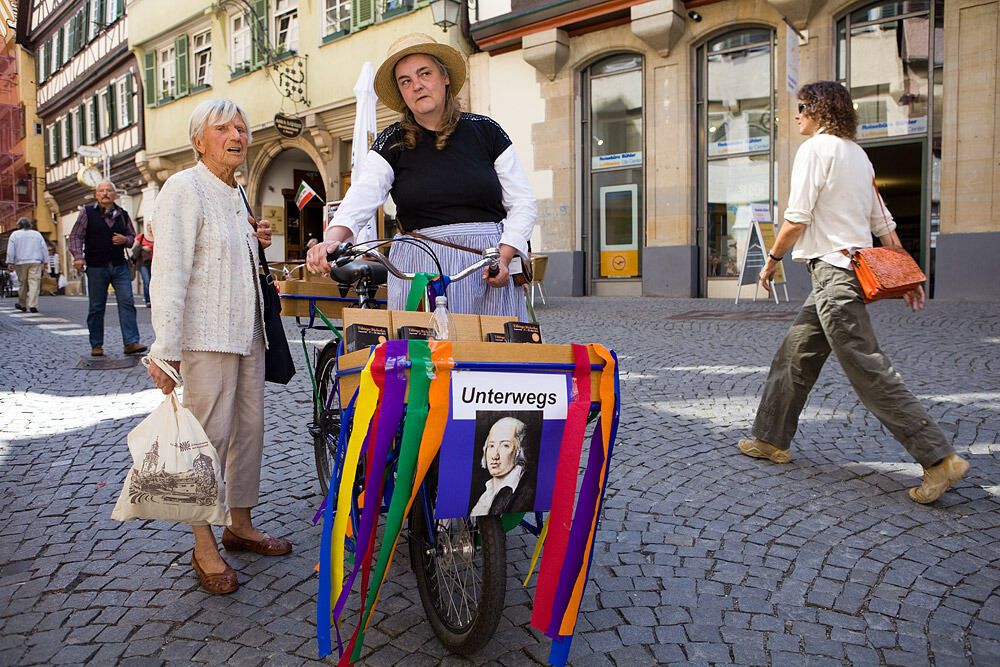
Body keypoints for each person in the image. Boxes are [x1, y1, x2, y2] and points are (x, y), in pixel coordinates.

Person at [739, 81, 968, 504]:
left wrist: (771, 260)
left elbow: (796, 218)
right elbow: (883, 222)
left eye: (802, 106)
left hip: (835, 275)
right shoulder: (858, 155)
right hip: (844, 273)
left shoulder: (816, 150)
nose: (796, 114)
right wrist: (910, 274)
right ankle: (770, 440)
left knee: (867, 369)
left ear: (820, 110)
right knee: (795, 355)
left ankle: (938, 459)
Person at [145, 99, 281, 595]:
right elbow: (171, 271)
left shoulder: (238, 193)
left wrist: (256, 241)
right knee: (205, 443)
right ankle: (203, 544)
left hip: (248, 334)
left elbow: (227, 259)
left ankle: (239, 524)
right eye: (222, 128)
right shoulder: (184, 188)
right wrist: (165, 349)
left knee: (249, 433)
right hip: (205, 338)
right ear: (199, 141)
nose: (236, 135)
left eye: (242, 128)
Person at [306, 33, 536, 317]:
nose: (416, 85)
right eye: (405, 81)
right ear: (402, 93)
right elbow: (360, 199)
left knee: (491, 357)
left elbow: (523, 202)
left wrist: (504, 257)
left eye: (424, 73)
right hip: (420, 269)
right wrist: (333, 239)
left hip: (487, 265)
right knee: (423, 359)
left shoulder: (486, 131)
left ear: (445, 77)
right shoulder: (392, 142)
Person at [69, 181, 147, 357]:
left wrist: (125, 240)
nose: (105, 193)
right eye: (101, 191)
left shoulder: (122, 214)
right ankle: (96, 344)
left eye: (109, 190)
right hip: (96, 266)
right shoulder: (87, 213)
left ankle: (131, 342)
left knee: (127, 302)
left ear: (115, 194)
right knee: (96, 306)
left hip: (119, 265)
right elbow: (76, 236)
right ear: (96, 195)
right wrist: (78, 257)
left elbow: (132, 236)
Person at [470, 417, 534, 516]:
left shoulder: (526, 490)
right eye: (491, 446)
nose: (495, 456)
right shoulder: (487, 490)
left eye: (505, 445)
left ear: (518, 451)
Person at [5, 217, 49, 313]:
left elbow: (10, 250)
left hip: (20, 262)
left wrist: (10, 262)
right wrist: (45, 261)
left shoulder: (15, 235)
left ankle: (22, 304)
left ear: (18, 225)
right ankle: (33, 305)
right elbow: (43, 248)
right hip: (35, 261)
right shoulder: (37, 234)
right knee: (34, 283)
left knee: (22, 283)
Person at [131, 231, 154, 307]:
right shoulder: (142, 237)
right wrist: (143, 247)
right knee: (147, 281)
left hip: (155, 262)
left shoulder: (157, 236)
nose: (150, 227)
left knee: (153, 281)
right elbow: (134, 248)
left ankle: (154, 300)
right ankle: (148, 301)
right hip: (143, 263)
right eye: (148, 225)